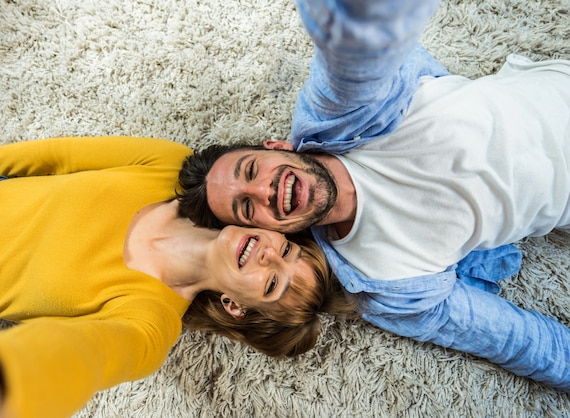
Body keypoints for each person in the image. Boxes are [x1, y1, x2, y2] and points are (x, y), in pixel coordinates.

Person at [176, 0, 570, 393]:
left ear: (278, 145)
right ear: (270, 233)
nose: (265, 189)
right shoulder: (386, 287)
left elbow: (354, 60)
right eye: (247, 208)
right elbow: (521, 342)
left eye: (250, 170)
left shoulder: (339, 118)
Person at [0, 136, 351, 418]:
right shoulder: (170, 167)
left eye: (271, 282)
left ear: (236, 306)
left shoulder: (149, 325)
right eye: (285, 249)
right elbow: (57, 156)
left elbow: (81, 355)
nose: (267, 255)